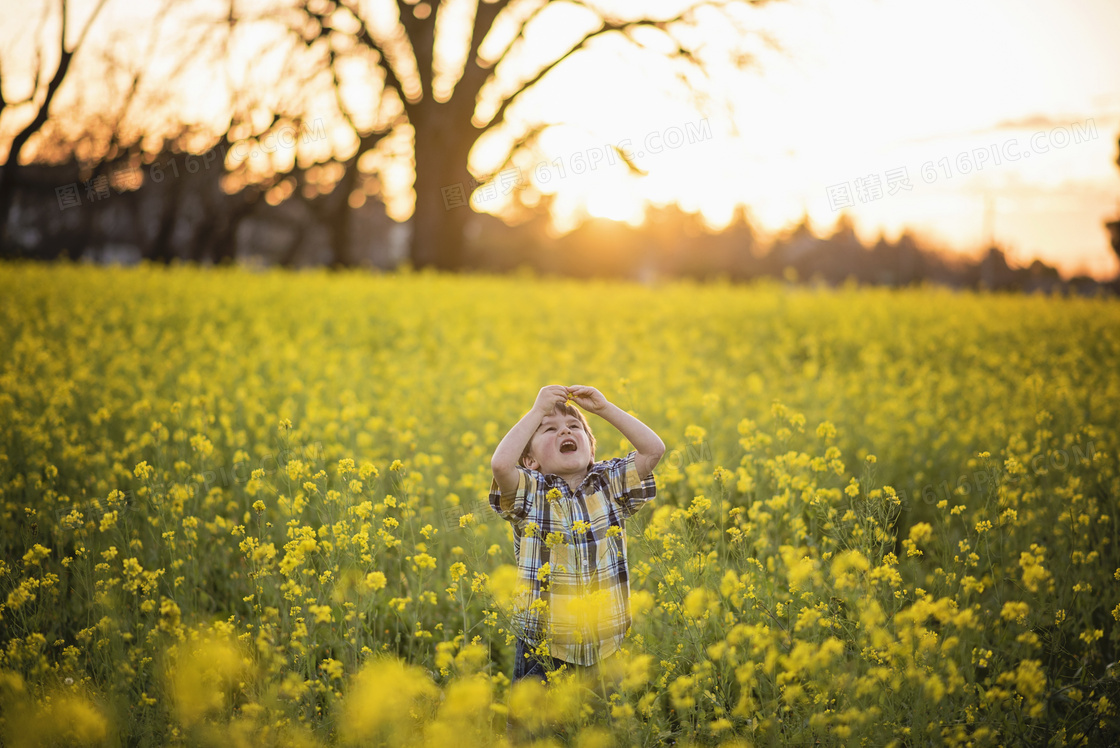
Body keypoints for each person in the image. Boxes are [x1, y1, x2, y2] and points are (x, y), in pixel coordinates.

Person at [489, 384, 665, 740]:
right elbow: (499, 464)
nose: (565, 431)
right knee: (533, 737)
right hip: (543, 650)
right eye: (549, 429)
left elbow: (653, 450)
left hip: (607, 647)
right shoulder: (532, 493)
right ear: (531, 461)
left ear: (590, 447)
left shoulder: (610, 484)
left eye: (574, 427)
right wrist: (538, 409)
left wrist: (603, 409)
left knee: (602, 736)